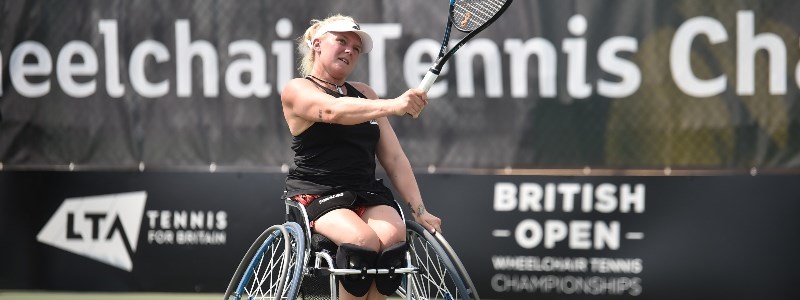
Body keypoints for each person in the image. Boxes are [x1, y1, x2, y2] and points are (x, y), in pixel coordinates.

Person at [280, 14, 442, 300]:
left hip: (366, 192)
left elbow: (393, 158)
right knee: (362, 242)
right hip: (319, 193)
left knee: (393, 241)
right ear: (317, 44)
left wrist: (419, 210)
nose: (349, 51)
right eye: (341, 41)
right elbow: (333, 111)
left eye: (355, 48)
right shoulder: (297, 89)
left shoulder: (366, 94)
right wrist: (394, 105)